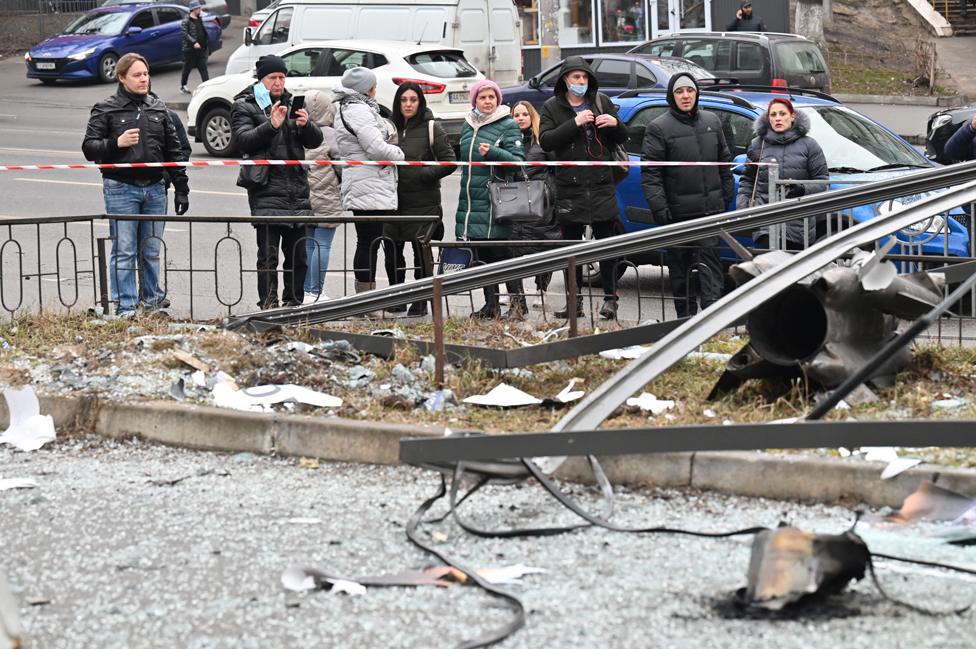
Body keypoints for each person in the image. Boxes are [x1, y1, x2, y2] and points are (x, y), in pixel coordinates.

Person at [82, 52, 189, 318]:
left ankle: (152, 303)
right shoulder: (105, 108)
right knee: (125, 250)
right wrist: (115, 143)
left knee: (151, 249)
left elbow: (174, 151)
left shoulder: (158, 107)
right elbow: (89, 148)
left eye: (146, 73)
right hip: (121, 187)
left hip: (154, 188)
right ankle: (125, 307)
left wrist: (181, 187)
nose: (144, 79)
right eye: (137, 75)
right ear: (122, 78)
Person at [539, 56, 629, 321]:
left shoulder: (601, 102)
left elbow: (622, 137)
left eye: (584, 77)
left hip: (601, 185)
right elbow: (546, 141)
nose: (580, 82)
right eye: (575, 77)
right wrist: (574, 123)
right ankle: (574, 301)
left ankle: (610, 300)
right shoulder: (551, 107)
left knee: (607, 246)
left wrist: (615, 124)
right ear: (565, 79)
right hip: (570, 187)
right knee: (571, 248)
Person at [231, 54, 323, 309]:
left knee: (299, 257)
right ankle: (269, 305)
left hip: (296, 191)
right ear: (261, 80)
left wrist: (307, 126)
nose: (278, 82)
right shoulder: (245, 105)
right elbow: (242, 141)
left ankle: (293, 304)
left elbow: (314, 141)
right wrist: (271, 125)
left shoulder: (291, 101)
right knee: (268, 257)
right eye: (273, 77)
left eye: (282, 77)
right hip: (267, 190)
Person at [641, 72, 733, 318]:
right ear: (672, 96)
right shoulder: (658, 127)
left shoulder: (711, 120)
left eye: (689, 91)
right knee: (681, 272)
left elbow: (724, 162)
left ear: (696, 93)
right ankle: (685, 321)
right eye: (680, 92)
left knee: (711, 269)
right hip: (677, 215)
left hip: (709, 212)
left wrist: (725, 195)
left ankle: (712, 320)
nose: (685, 96)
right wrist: (660, 210)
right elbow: (651, 175)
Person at [455, 79, 526, 319]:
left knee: (502, 255)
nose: (487, 102)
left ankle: (518, 305)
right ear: (475, 100)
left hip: (497, 201)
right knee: (482, 256)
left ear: (498, 100)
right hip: (471, 201)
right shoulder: (467, 126)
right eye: (483, 97)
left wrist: (493, 153)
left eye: (491, 97)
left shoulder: (508, 125)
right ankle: (491, 305)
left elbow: (518, 161)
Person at [332, 67, 405, 298]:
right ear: (365, 89)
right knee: (369, 242)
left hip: (367, 182)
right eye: (373, 87)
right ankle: (366, 298)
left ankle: (366, 296)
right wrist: (399, 154)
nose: (375, 91)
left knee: (368, 241)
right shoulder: (358, 110)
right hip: (368, 183)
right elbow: (375, 148)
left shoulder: (352, 107)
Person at [390, 81, 457, 316]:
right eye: (403, 100)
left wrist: (424, 174)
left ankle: (420, 300)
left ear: (420, 102)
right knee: (392, 251)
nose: (408, 104)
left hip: (424, 202)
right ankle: (396, 297)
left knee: (421, 252)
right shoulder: (389, 127)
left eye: (413, 100)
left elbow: (449, 160)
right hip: (394, 202)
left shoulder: (431, 127)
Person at [736, 98, 828, 249]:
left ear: (792, 116)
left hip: (798, 226)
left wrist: (802, 188)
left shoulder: (809, 145)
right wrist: (743, 210)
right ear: (768, 118)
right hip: (765, 225)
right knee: (768, 269)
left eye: (782, 113)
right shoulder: (757, 145)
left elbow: (823, 181)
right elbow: (747, 180)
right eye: (773, 115)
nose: (778, 118)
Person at [512, 100, 561, 312]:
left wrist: (550, 193)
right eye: (516, 115)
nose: (520, 118)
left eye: (525, 114)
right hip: (514, 203)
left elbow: (556, 170)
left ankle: (541, 290)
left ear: (532, 117)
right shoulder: (507, 141)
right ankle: (515, 293)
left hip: (540, 202)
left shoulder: (543, 141)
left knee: (542, 247)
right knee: (513, 248)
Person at [302, 89, 342, 305]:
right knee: (323, 244)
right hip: (327, 194)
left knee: (309, 244)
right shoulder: (331, 134)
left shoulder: (300, 131)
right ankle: (315, 291)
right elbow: (342, 164)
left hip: (305, 195)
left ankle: (307, 291)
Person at [179, 0, 209, 94]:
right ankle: (183, 86)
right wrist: (194, 42)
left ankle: (207, 86)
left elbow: (202, 31)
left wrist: (206, 41)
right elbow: (185, 34)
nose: (200, 9)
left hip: (200, 49)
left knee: (203, 67)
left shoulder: (199, 18)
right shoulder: (186, 21)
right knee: (187, 68)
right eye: (198, 8)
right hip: (190, 50)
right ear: (194, 9)